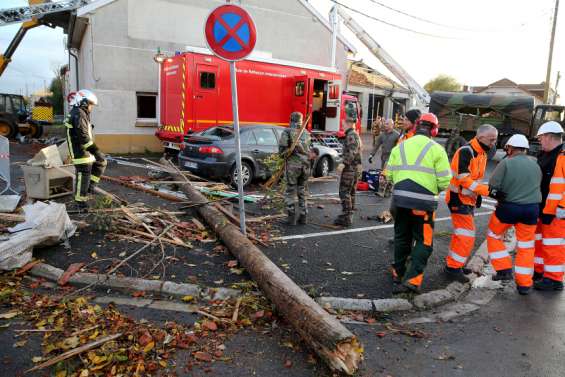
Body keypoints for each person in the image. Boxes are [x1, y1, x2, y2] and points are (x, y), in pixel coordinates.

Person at [386, 113, 451, 294]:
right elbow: (445, 180)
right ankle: (412, 280)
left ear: (416, 126)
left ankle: (398, 273)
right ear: (435, 130)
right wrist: (433, 190)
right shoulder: (437, 150)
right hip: (423, 204)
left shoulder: (400, 146)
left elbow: (388, 174)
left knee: (401, 237)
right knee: (424, 241)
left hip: (399, 200)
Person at [486, 134, 542, 295]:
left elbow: (493, 187)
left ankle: (504, 269)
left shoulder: (506, 163)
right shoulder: (535, 164)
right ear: (525, 149)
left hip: (508, 209)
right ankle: (524, 284)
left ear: (510, 148)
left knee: (494, 236)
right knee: (526, 246)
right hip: (531, 210)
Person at [444, 124, 499, 283]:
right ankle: (453, 269)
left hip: (467, 199)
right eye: (491, 139)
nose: (494, 143)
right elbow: (464, 179)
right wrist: (487, 191)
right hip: (458, 198)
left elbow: (475, 179)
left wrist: (479, 195)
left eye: (495, 140)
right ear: (481, 137)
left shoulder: (481, 153)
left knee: (461, 235)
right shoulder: (466, 151)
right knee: (466, 236)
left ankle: (455, 265)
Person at [533, 121, 565, 291]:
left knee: (553, 245)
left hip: (557, 212)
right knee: (539, 243)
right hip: (541, 208)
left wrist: (561, 208)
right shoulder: (544, 154)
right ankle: (539, 272)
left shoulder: (563, 155)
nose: (540, 141)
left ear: (548, 137)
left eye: (541, 138)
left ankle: (554, 279)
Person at [65, 89, 107, 210]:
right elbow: (83, 137)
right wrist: (96, 151)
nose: (91, 108)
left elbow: (83, 131)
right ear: (84, 102)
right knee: (84, 173)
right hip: (79, 151)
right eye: (90, 105)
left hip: (84, 150)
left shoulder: (79, 113)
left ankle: (90, 187)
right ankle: (80, 202)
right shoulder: (78, 114)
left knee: (101, 162)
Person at [279, 112, 311, 225]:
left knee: (290, 191)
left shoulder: (287, 132)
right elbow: (310, 151)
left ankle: (291, 218)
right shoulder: (306, 133)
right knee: (302, 190)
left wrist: (286, 153)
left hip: (293, 166)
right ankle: (303, 216)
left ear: (291, 120)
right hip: (306, 166)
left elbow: (282, 151)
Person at [334, 103, 362, 227]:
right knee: (351, 192)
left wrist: (343, 164)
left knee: (344, 192)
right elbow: (357, 152)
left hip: (350, 169)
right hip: (354, 169)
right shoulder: (354, 135)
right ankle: (348, 215)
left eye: (343, 123)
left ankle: (346, 217)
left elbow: (351, 152)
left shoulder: (351, 135)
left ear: (348, 123)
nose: (342, 125)